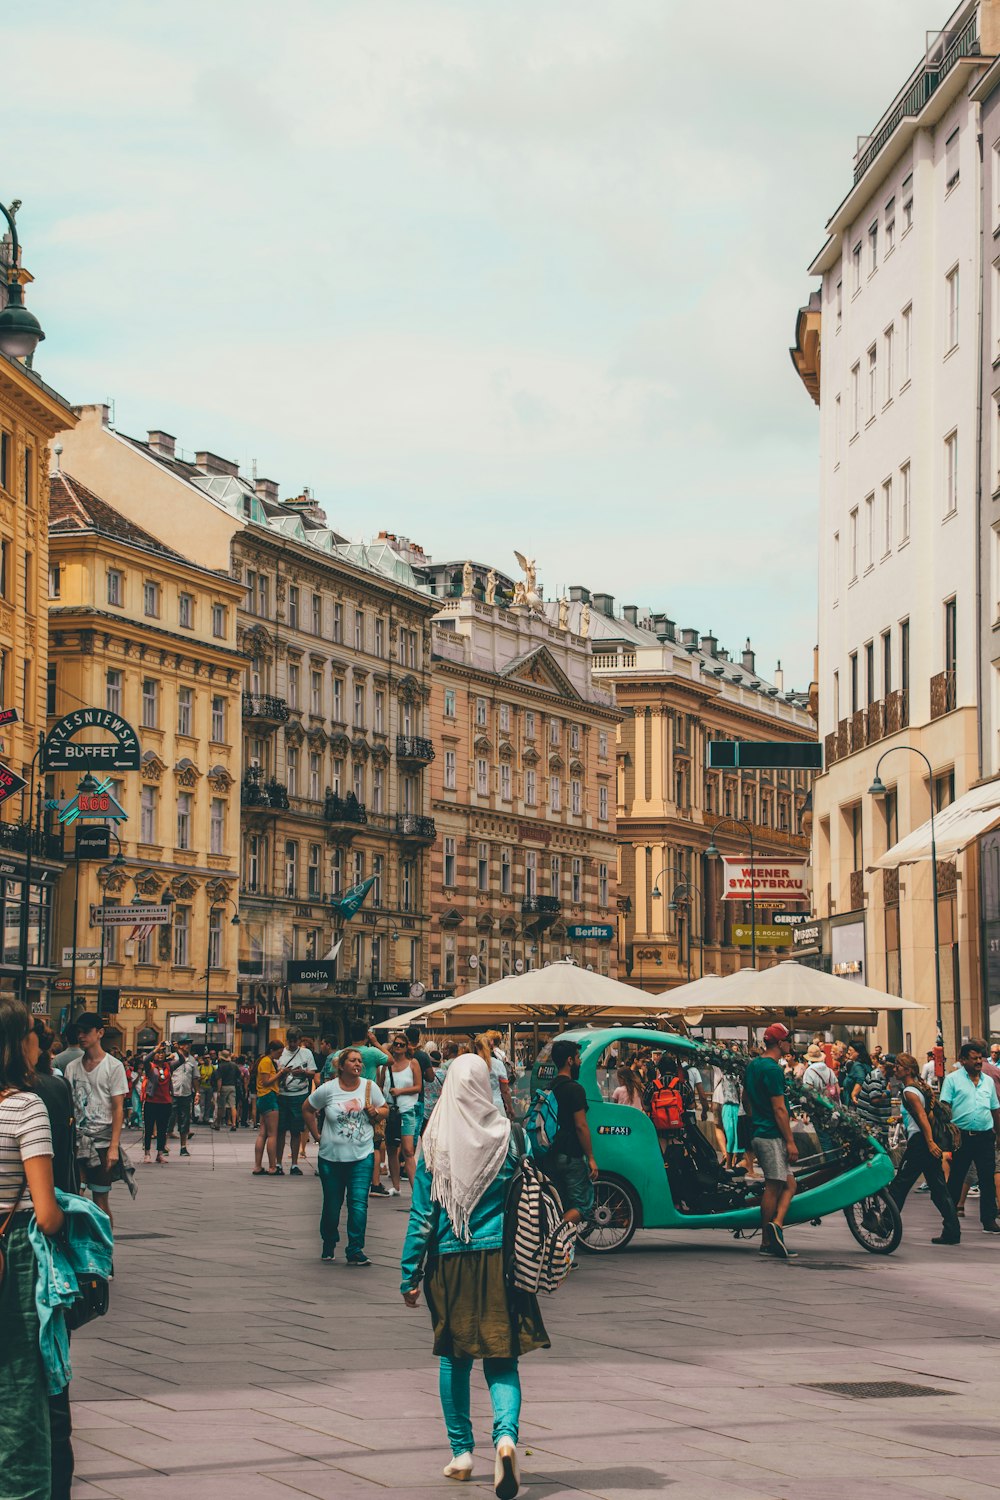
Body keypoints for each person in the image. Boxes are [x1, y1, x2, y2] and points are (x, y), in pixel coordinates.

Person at [400, 1054, 549, 1496]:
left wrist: (409, 1272)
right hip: (504, 1259)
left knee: (454, 1355)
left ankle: (461, 1452)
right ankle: (505, 1438)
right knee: (503, 1356)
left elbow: (423, 1217)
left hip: (451, 1259)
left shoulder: (435, 1140)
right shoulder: (511, 1136)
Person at [0, 997, 67, 1500]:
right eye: (30, 1033)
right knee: (20, 1387)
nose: (37, 1042)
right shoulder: (25, 1106)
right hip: (14, 1256)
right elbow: (45, 1213)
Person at [303, 1047, 388, 1265]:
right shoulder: (328, 1089)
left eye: (360, 1061)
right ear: (341, 1066)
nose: (358, 1064)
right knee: (332, 1204)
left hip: (362, 1155)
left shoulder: (370, 1087)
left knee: (358, 1203)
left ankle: (355, 1249)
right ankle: (329, 1242)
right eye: (352, 1061)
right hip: (331, 1158)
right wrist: (317, 1135)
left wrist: (376, 1112)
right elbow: (308, 1108)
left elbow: (385, 1109)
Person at [887, 1053, 960, 1244]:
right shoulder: (920, 1089)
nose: (895, 1069)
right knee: (938, 1188)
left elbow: (922, 1117)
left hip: (920, 1144)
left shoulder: (909, 1092)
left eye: (898, 1066)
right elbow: (928, 1116)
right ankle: (952, 1231)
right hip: (926, 1142)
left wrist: (929, 1142)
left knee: (900, 1184)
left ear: (908, 1070)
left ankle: (885, 1224)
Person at [64, 1013, 128, 1218]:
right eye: (79, 1032)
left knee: (100, 1201)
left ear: (100, 1033)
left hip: (102, 1141)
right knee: (75, 1197)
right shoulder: (72, 1067)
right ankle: (80, 1246)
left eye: (86, 1031)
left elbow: (118, 1108)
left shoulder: (114, 1066)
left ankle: (104, 1246)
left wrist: (114, 1147)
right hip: (78, 1141)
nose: (81, 1036)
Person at [744, 1022, 798, 1259]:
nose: (790, 1044)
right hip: (771, 1135)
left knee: (790, 1183)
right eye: (788, 1040)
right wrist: (790, 1141)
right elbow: (780, 1110)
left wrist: (756, 1118)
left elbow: (745, 1098)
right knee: (774, 1185)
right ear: (779, 1043)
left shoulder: (753, 1065)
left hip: (759, 1130)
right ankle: (767, 1240)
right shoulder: (773, 1070)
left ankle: (776, 1224)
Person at [942, 1042, 1000, 1234]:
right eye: (973, 1058)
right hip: (962, 1136)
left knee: (987, 1178)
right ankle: (949, 1220)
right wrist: (948, 1133)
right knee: (957, 1178)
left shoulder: (988, 1082)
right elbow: (944, 1107)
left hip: (985, 1136)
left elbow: (994, 1108)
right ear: (963, 1060)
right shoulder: (952, 1080)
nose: (978, 1062)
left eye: (979, 1059)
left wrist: (998, 1133)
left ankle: (989, 1220)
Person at [539, 1038, 596, 1227]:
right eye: (578, 1058)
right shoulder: (574, 1089)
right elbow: (581, 1126)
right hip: (571, 1155)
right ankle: (554, 1237)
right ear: (570, 1061)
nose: (580, 1062)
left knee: (558, 1202)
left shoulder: (549, 1088)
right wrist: (591, 1158)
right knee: (582, 1205)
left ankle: (556, 1241)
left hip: (550, 1154)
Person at [276, 1027, 317, 1175]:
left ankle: (294, 1163)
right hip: (282, 1094)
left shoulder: (306, 1053)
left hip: (299, 1095)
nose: (292, 1044)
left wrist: (304, 1072)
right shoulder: (281, 1053)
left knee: (296, 1131)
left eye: (295, 1041)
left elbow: (313, 1073)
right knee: (280, 1130)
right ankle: (278, 1163)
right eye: (290, 1041)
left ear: (300, 1040)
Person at [386, 1033, 423, 1191]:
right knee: (392, 1149)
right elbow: (380, 1086)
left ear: (407, 1046)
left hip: (407, 1110)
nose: (398, 1047)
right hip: (390, 1111)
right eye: (396, 1044)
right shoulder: (386, 1066)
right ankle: (395, 1186)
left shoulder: (413, 1063)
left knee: (408, 1150)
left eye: (402, 1044)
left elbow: (418, 1087)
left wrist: (400, 1091)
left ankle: (415, 1190)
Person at [253, 1039, 287, 1175]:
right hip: (269, 1097)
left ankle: (257, 1166)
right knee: (273, 1134)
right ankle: (273, 1166)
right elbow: (266, 1082)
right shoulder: (267, 1061)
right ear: (272, 1050)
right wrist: (280, 1073)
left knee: (263, 1133)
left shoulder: (264, 1061)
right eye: (279, 1052)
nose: (280, 1055)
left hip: (262, 1097)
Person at [141, 1043, 173, 1164]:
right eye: (158, 1053)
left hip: (165, 1102)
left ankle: (160, 1153)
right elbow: (145, 1059)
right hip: (151, 1101)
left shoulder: (168, 1066)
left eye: (162, 1052)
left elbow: (181, 1060)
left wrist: (177, 1049)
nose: (160, 1055)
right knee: (148, 1129)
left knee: (162, 1129)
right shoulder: (150, 1067)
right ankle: (147, 1153)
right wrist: (156, 1049)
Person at [168, 1038, 199, 1156]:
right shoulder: (172, 1057)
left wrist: (197, 1093)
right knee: (170, 1119)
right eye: (185, 1044)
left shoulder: (192, 1060)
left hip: (186, 1093)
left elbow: (195, 1077)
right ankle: (164, 1145)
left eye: (189, 1044)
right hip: (172, 1093)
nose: (188, 1046)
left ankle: (183, 1147)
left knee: (185, 1121)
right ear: (179, 1046)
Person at [856, 1053, 896, 1144]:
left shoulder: (892, 1077)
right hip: (872, 1123)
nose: (895, 1071)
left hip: (885, 1124)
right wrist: (888, 1092)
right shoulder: (875, 1076)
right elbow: (875, 1099)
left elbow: (896, 1099)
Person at [476, 1033, 515, 1121]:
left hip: (478, 1107)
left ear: (476, 1047)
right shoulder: (498, 1064)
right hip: (496, 1106)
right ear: (491, 1046)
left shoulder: (472, 1064)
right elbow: (505, 1091)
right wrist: (510, 1107)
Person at [712, 1067, 743, 1169]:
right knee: (733, 1132)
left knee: (720, 1127)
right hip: (732, 1102)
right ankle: (731, 1159)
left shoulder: (717, 1064)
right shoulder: (738, 1064)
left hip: (718, 1098)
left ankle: (726, 1154)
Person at [214, 1050, 240, 1132]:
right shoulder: (234, 1065)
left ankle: (218, 1124)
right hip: (232, 1086)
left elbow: (219, 1079)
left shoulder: (221, 1066)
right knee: (233, 1105)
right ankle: (234, 1124)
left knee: (221, 1106)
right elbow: (240, 1075)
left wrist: (218, 1090)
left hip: (224, 1086)